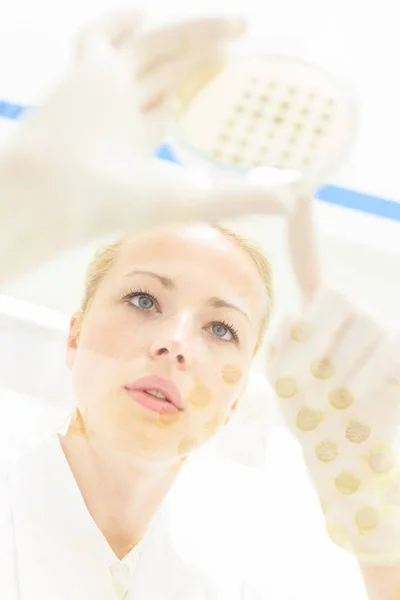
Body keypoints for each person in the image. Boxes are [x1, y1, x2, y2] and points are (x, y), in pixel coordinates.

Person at [0, 8, 398, 600]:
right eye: (142, 298)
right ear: (74, 335)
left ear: (236, 400)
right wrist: (15, 208)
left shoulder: (260, 572)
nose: (175, 343)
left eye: (221, 330)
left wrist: (385, 550)